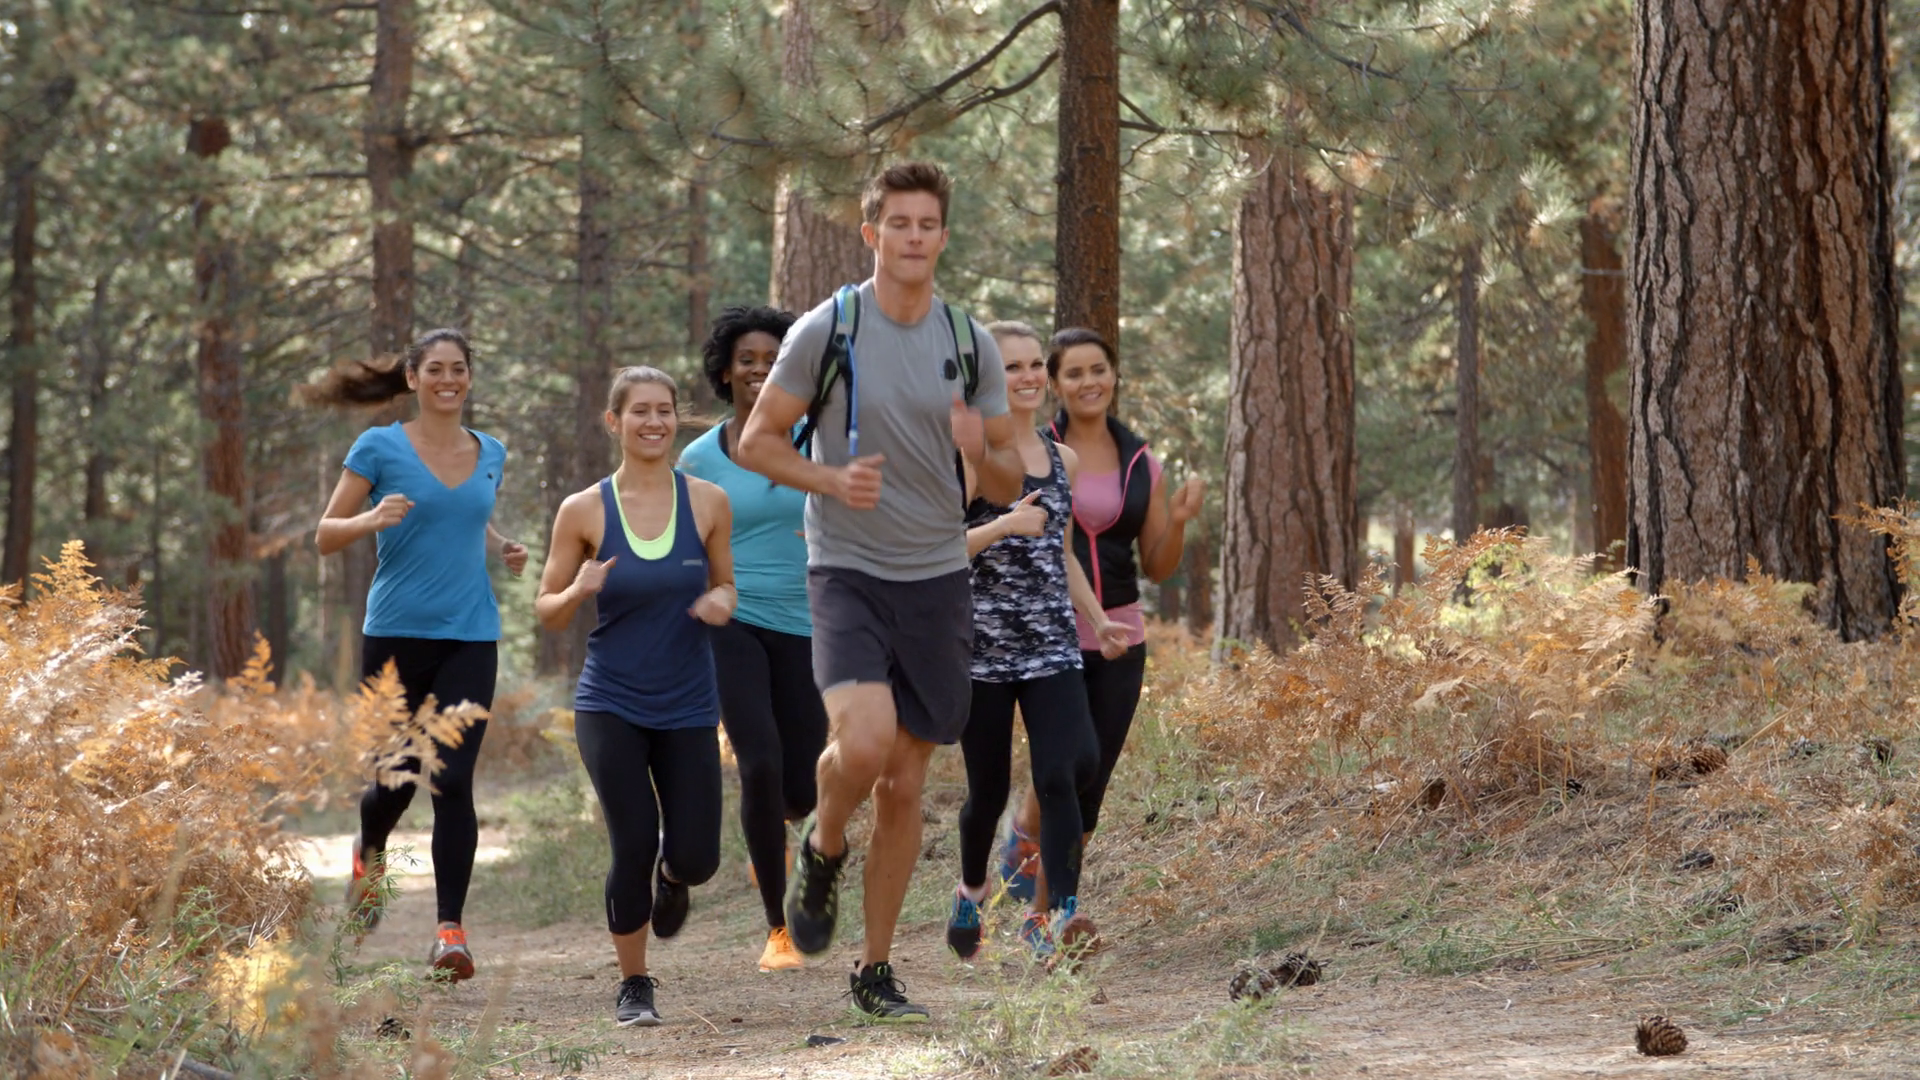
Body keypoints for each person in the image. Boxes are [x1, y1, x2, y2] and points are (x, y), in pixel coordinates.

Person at [735, 161, 1022, 1022]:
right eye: (898, 223)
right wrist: (829, 481)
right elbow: (757, 441)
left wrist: (978, 448)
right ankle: (822, 846)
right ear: (871, 233)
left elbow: (1008, 482)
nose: (913, 237)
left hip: (937, 577)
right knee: (861, 746)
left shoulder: (968, 342)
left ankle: (874, 970)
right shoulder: (830, 329)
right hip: (848, 569)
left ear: (943, 236)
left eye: (927, 224)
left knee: (903, 782)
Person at [312, 328, 528, 983]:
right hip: (396, 636)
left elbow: (465, 513)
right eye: (435, 369)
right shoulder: (378, 447)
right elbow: (325, 534)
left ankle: (449, 933)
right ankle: (370, 855)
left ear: (469, 377)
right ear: (413, 378)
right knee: (395, 780)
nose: (448, 379)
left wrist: (501, 545)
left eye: (458, 369)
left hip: (471, 634)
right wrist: (370, 520)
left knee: (452, 780)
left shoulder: (490, 451)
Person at [535, 366, 736, 1027]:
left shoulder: (708, 502)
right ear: (614, 421)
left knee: (698, 856)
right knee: (633, 840)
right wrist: (578, 589)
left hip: (688, 701)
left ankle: (674, 879)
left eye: (664, 410)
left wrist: (720, 600)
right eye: (640, 411)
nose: (654, 421)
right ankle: (634, 983)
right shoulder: (583, 510)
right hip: (610, 702)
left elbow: (728, 584)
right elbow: (547, 610)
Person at [995, 327, 1204, 909]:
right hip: (1049, 631)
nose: (1089, 382)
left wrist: (1177, 521)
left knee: (1092, 781)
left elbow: (1157, 566)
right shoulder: (1034, 452)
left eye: (1099, 370)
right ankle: (1047, 911)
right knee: (1063, 769)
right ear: (1055, 384)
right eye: (1074, 373)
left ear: (1114, 376)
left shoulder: (1142, 463)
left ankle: (1040, 883)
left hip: (1120, 635)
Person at [946, 321, 1129, 965]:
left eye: (1032, 365)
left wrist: (1097, 619)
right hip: (983, 654)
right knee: (988, 792)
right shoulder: (970, 460)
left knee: (1065, 771)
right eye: (1010, 366)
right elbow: (938, 550)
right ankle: (972, 890)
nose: (1025, 377)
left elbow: (1062, 553)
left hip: (1052, 646)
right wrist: (1004, 525)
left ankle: (1058, 917)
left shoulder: (1062, 459)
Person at [678, 305, 826, 974]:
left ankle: (775, 827)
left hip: (810, 622)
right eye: (747, 360)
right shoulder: (700, 458)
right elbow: (682, 546)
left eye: (773, 359)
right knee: (759, 762)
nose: (760, 370)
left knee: (802, 791)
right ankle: (778, 929)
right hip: (732, 619)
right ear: (724, 372)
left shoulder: (820, 444)